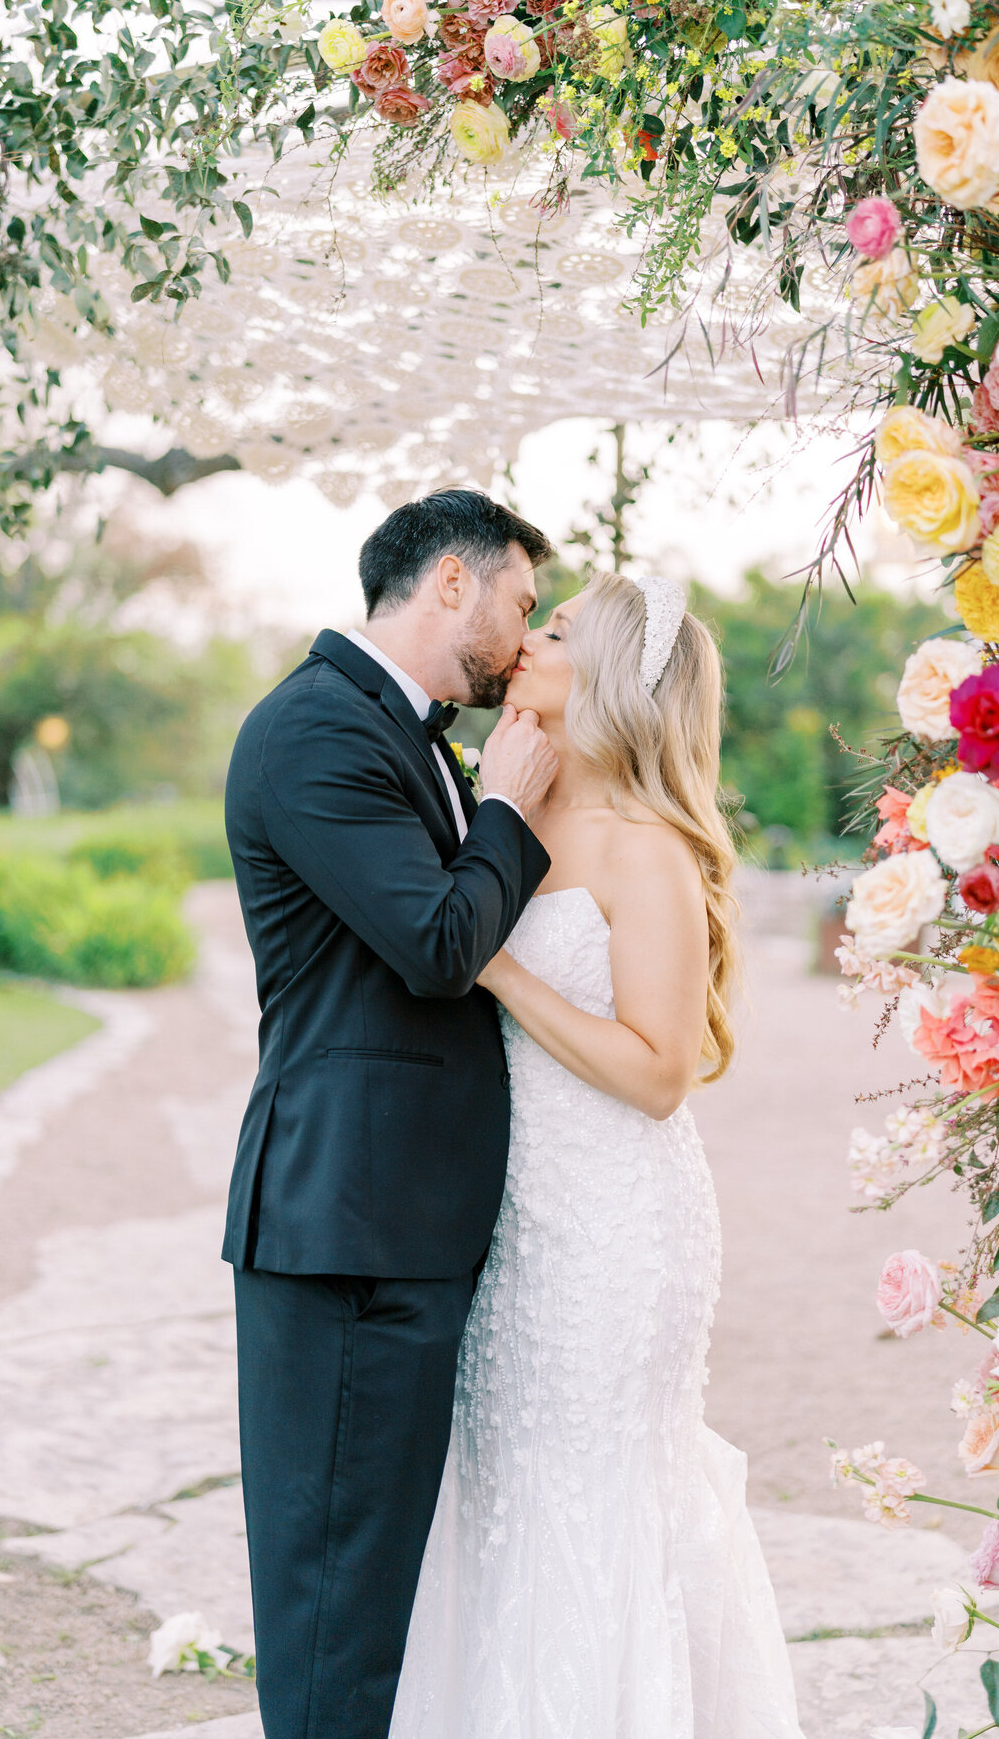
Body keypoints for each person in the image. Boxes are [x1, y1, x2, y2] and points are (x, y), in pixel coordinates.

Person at [389, 571, 804, 1739]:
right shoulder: (515, 803)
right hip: (516, 1217)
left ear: (613, 674)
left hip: (618, 1223)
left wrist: (502, 969)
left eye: (558, 628)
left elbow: (661, 1071)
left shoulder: (645, 846)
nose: (530, 639)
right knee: (509, 1492)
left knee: (595, 1497)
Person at [223, 489, 558, 1739]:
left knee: (375, 1605)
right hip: (347, 1232)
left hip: (397, 1222)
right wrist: (511, 808)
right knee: (334, 1615)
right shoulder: (316, 730)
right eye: (522, 602)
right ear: (452, 584)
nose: (525, 639)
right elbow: (433, 943)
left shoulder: (404, 732)